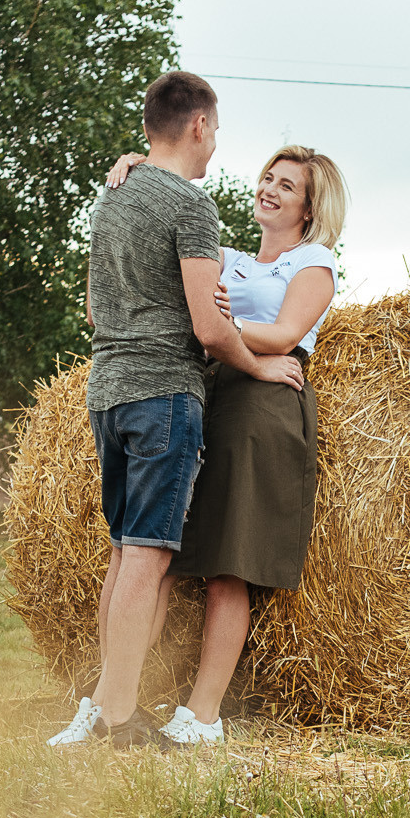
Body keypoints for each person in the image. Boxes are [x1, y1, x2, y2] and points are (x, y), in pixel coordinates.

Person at [47, 71, 305, 749]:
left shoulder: (114, 198)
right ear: (197, 125)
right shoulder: (192, 208)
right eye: (215, 130)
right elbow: (210, 328)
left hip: (107, 388)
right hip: (164, 393)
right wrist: (259, 365)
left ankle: (105, 702)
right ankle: (120, 717)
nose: (216, 143)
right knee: (148, 555)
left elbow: (95, 309)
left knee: (123, 551)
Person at [100, 144, 346, 745]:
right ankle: (111, 702)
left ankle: (203, 714)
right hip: (208, 395)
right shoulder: (229, 256)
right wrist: (137, 165)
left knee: (227, 567)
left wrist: (220, 331)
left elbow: (287, 334)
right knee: (157, 555)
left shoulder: (314, 263)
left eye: (287, 187)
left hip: (262, 405)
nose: (270, 189)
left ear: (310, 209)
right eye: (268, 178)